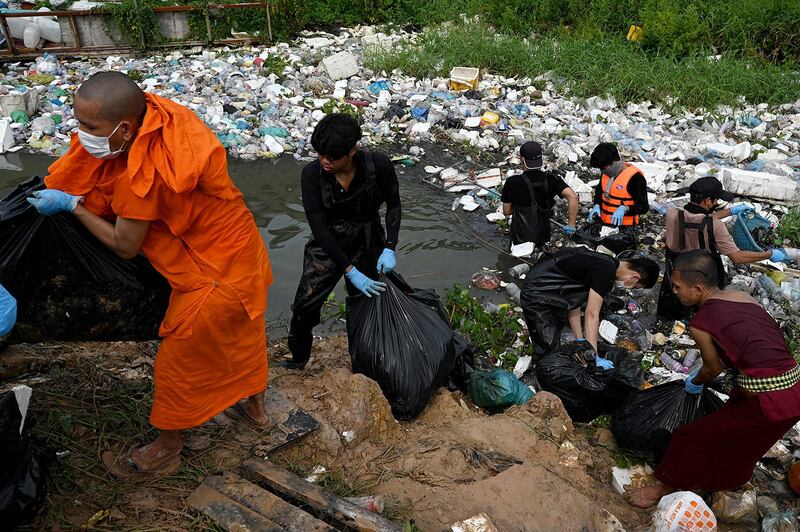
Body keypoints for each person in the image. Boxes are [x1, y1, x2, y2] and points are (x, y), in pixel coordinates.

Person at [26, 71, 272, 476]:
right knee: (243, 333)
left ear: (124, 129)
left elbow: (126, 245)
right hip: (242, 244)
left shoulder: (147, 175)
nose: (80, 134)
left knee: (177, 362)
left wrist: (74, 207)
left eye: (89, 127)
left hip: (215, 273)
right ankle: (255, 407)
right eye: (78, 122)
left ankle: (167, 449)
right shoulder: (159, 116)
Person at [625, 250, 800, 508]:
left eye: (677, 287)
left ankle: (660, 488)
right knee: (746, 444)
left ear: (697, 289)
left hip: (767, 401)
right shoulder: (742, 297)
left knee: (691, 438)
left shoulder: (701, 322)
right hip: (794, 391)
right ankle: (728, 480)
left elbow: (712, 368)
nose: (674, 292)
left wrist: (695, 382)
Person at [282, 113, 401, 370]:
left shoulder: (378, 166)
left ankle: (365, 362)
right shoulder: (312, 175)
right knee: (305, 304)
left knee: (366, 303)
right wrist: (349, 269)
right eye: (320, 154)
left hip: (369, 238)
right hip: (328, 243)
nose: (324, 160)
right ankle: (299, 358)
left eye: (332, 157)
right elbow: (318, 227)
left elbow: (394, 205)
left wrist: (390, 247)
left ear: (352, 151)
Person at [657, 176, 794, 319]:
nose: (717, 203)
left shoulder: (672, 214)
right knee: (705, 314)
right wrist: (770, 254)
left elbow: (697, 218)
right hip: (703, 278)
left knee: (675, 313)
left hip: (676, 273)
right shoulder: (716, 226)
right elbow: (737, 257)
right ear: (708, 201)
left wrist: (731, 211)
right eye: (716, 200)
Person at [520, 247, 659, 358]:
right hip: (537, 293)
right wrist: (594, 355)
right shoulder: (605, 271)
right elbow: (591, 314)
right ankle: (544, 382)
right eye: (635, 286)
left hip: (549, 289)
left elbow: (573, 302)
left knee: (555, 333)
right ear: (634, 277)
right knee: (548, 349)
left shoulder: (605, 261)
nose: (631, 288)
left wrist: (580, 340)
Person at [501, 141, 579, 245]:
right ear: (541, 159)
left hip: (520, 237)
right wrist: (571, 224)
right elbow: (573, 196)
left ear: (522, 160)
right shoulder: (551, 179)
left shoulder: (513, 182)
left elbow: (506, 211)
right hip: (544, 234)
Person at [587, 142, 649, 228]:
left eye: (603, 168)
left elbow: (644, 207)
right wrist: (597, 205)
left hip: (624, 227)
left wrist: (625, 208)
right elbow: (599, 191)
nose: (602, 171)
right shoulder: (606, 173)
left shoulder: (635, 178)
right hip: (603, 223)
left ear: (614, 162)